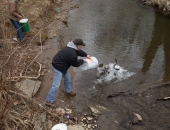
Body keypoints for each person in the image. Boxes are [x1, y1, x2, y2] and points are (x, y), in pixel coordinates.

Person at [45, 38, 90, 108]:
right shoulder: (71, 53)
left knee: (68, 79)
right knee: (56, 85)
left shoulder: (71, 46)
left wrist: (86, 55)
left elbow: (79, 51)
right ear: (78, 46)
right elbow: (76, 64)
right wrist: (83, 61)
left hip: (62, 66)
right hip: (58, 67)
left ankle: (68, 91)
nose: (81, 47)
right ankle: (49, 101)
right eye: (81, 46)